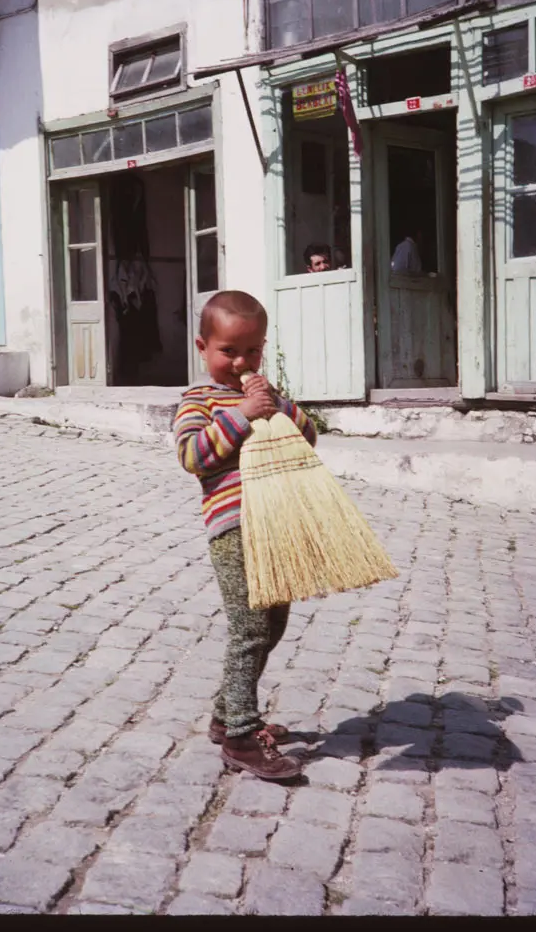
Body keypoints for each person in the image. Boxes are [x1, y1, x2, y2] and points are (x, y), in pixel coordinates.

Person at [173, 290, 317, 781]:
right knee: (250, 629)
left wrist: (277, 405)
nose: (240, 362)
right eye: (228, 351)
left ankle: (225, 713)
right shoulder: (200, 399)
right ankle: (240, 736)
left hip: (275, 522)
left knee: (273, 625)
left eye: (251, 351)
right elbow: (193, 456)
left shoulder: (264, 395)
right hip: (234, 528)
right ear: (202, 346)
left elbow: (310, 435)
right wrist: (241, 416)